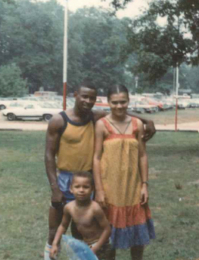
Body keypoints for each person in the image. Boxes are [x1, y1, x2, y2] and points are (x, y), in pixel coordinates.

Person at [44, 80, 156, 260]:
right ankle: (48, 256)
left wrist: (147, 120)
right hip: (67, 179)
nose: (88, 101)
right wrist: (54, 188)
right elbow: (49, 155)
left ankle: (82, 257)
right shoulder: (61, 120)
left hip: (90, 180)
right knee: (56, 226)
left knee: (84, 228)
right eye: (84, 97)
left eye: (92, 98)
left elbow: (121, 112)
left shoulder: (95, 117)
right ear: (75, 95)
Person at [93, 84, 156, 260]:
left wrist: (144, 184)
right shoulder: (101, 125)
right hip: (109, 188)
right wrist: (99, 189)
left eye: (123, 102)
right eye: (115, 102)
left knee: (138, 239)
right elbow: (96, 158)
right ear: (108, 102)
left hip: (133, 188)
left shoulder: (137, 124)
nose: (119, 106)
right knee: (108, 237)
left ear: (128, 101)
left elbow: (142, 156)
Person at [50, 172, 113, 260]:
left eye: (86, 187)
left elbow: (107, 229)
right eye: (77, 187)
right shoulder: (69, 208)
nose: (81, 190)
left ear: (92, 189)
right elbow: (63, 226)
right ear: (71, 189)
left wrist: (95, 248)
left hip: (102, 245)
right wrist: (55, 244)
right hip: (86, 245)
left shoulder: (95, 208)